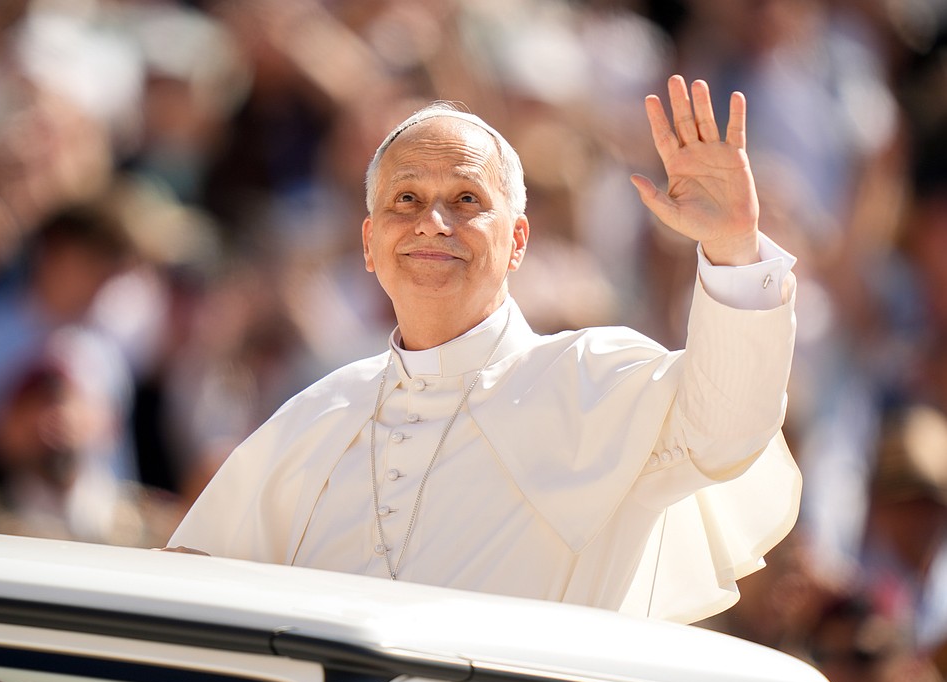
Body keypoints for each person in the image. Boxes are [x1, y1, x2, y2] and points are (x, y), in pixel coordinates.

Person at [167, 75, 801, 624]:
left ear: (518, 240)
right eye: (405, 199)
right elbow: (189, 599)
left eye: (466, 200)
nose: (432, 223)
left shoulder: (592, 379)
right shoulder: (317, 417)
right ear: (368, 242)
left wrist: (733, 250)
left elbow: (728, 429)